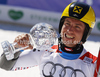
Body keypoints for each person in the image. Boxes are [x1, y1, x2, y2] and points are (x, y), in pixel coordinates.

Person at [0, 2, 97, 77]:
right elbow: (4, 65)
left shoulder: (94, 64)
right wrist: (17, 48)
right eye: (67, 23)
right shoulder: (45, 51)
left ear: (85, 33)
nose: (69, 30)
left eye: (77, 27)